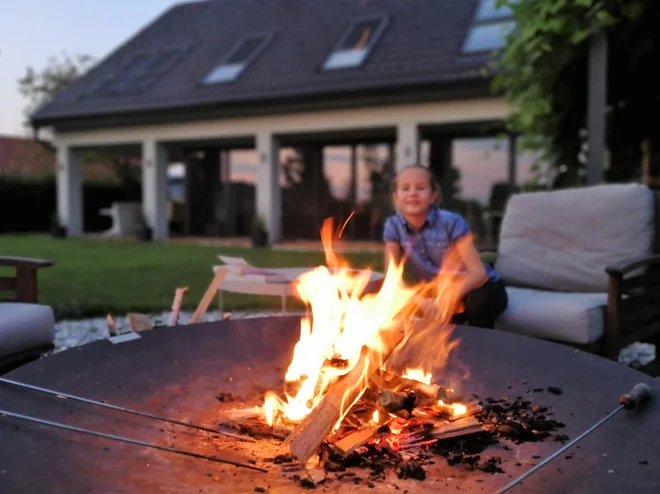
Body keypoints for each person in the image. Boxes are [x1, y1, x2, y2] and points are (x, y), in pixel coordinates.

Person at [382, 164, 508, 329]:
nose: (412, 192)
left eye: (420, 188)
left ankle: (482, 350)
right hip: (438, 292)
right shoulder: (393, 226)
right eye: (405, 188)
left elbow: (479, 273)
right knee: (407, 314)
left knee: (478, 305)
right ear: (396, 198)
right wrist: (419, 301)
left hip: (479, 286)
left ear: (433, 196)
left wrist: (446, 298)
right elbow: (392, 278)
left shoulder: (451, 222)